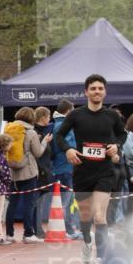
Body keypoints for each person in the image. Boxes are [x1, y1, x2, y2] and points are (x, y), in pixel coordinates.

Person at [55, 75, 125, 264]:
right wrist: (68, 149)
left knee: (99, 215)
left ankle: (101, 258)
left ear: (105, 92)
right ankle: (87, 242)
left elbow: (122, 134)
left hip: (104, 171)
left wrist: (116, 146)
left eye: (100, 88)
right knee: (85, 217)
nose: (97, 91)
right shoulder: (76, 115)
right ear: (86, 92)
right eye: (93, 88)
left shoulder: (112, 116)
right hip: (82, 172)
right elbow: (59, 135)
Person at [4, 107, 51, 243]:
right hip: (29, 173)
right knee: (29, 204)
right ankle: (28, 234)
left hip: (13, 173)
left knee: (12, 204)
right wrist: (44, 142)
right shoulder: (31, 132)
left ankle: (9, 234)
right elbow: (37, 153)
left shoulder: (9, 130)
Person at [51, 99, 82, 240]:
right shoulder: (64, 125)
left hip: (61, 165)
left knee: (66, 201)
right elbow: (69, 144)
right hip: (65, 165)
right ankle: (68, 230)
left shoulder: (58, 124)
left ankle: (69, 229)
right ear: (69, 110)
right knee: (66, 201)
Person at [34, 106, 54, 236]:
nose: (50, 119)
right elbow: (38, 153)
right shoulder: (36, 133)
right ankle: (37, 230)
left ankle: (37, 229)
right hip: (40, 171)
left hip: (44, 170)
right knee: (37, 203)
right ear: (43, 117)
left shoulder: (43, 132)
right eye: (48, 116)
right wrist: (45, 142)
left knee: (38, 203)